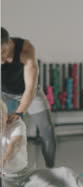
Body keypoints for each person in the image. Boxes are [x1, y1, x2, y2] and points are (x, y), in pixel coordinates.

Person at [1, 27, 56, 168]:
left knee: (47, 130)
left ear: (9, 43)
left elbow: (30, 88)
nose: (0, 59)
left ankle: (50, 169)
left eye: (2, 52)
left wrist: (19, 112)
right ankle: (6, 168)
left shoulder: (25, 49)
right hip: (4, 94)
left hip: (29, 92)